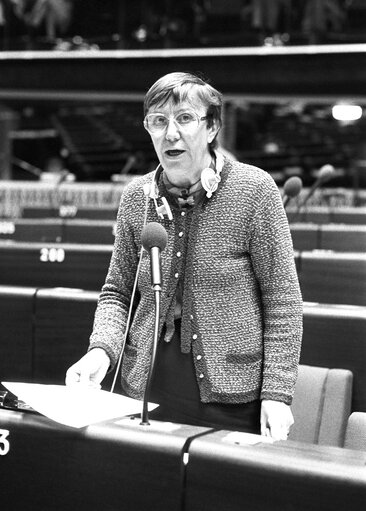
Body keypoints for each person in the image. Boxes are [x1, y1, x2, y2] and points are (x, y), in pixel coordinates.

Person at [66, 71, 303, 440]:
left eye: (184, 118)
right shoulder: (137, 197)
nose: (170, 133)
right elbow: (117, 292)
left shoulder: (255, 190)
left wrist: (277, 393)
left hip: (232, 394)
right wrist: (101, 351)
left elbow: (282, 300)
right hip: (143, 385)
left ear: (212, 128)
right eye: (158, 121)